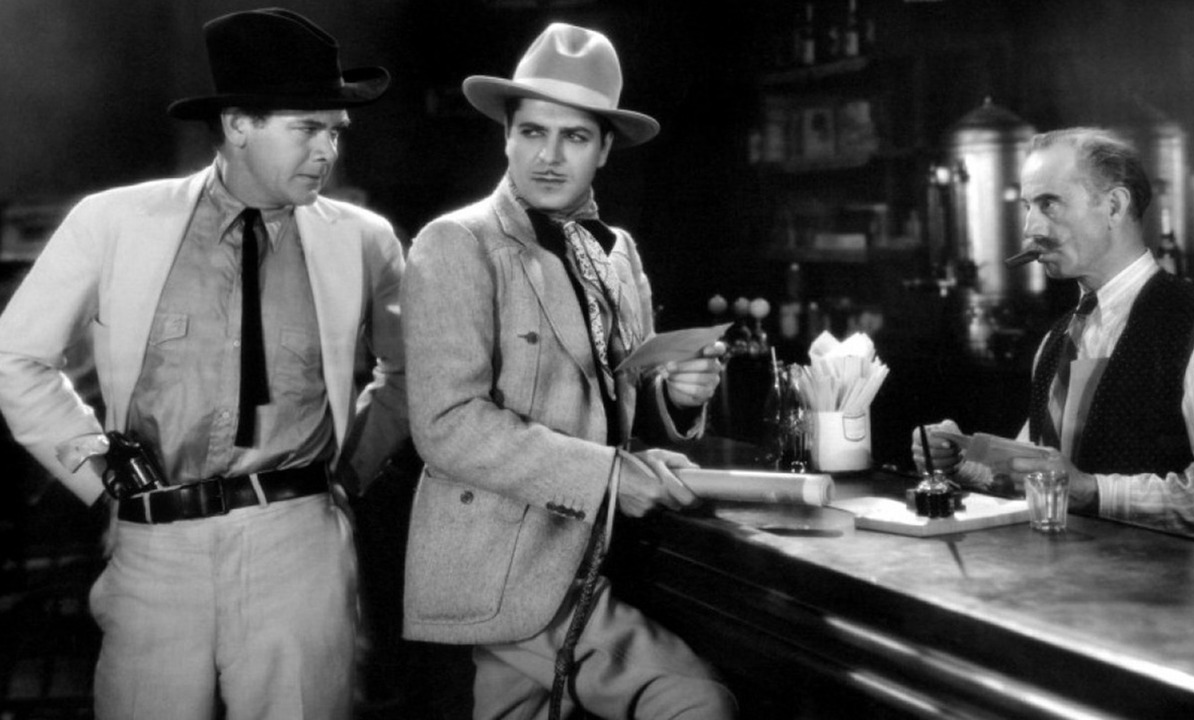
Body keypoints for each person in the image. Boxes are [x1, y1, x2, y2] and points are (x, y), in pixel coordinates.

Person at [0, 9, 409, 719]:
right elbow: (14, 357)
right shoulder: (114, 222)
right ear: (238, 125)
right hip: (155, 545)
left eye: (336, 131)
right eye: (307, 129)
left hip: (296, 544)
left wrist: (344, 475)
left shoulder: (363, 241)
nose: (328, 152)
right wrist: (101, 479)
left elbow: (408, 374)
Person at [400, 22, 737, 719]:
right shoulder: (457, 242)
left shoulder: (616, 252)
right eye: (532, 132)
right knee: (696, 702)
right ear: (506, 135)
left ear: (605, 148)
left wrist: (677, 394)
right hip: (500, 565)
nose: (548, 157)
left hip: (599, 556)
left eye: (575, 137)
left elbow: (618, 394)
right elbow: (446, 425)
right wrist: (608, 476)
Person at [915, 127, 1194, 539]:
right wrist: (959, 459)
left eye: (1049, 204)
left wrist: (1092, 491)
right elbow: (1036, 474)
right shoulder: (1058, 338)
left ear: (1114, 206)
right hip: (1066, 576)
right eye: (1028, 207)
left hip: (1164, 580)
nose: (1030, 229)